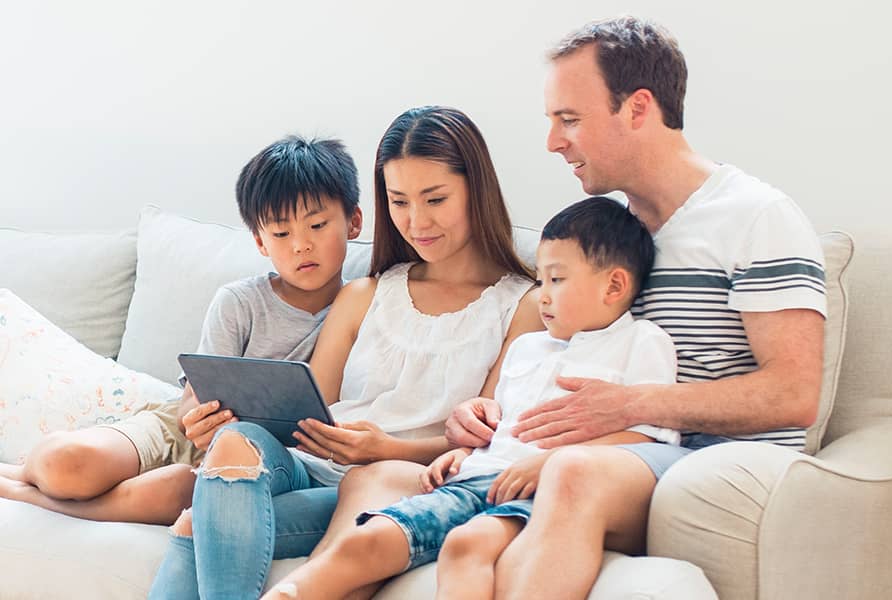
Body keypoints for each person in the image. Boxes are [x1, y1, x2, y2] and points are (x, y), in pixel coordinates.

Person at [444, 17, 828, 598]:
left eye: (569, 119)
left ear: (638, 108)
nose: (553, 142)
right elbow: (553, 357)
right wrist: (484, 417)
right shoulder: (604, 240)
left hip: (722, 459)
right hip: (621, 455)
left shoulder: (755, 216)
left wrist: (628, 406)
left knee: (569, 469)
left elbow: (794, 395)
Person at [148, 105, 542, 600]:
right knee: (235, 443)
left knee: (194, 522)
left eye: (435, 198)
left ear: (476, 190)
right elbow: (306, 413)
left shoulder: (522, 306)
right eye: (398, 201)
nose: (416, 221)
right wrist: (227, 415)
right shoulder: (365, 294)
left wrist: (386, 449)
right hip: (311, 467)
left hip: (397, 481)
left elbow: (484, 445)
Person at [260, 196, 680, 600]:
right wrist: (465, 454)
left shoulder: (641, 342)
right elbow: (505, 429)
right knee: (368, 539)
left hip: (535, 494)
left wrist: (545, 464)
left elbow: (644, 441)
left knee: (467, 545)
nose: (544, 294)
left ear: (614, 286)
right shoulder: (529, 348)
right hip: (478, 479)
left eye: (558, 279)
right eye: (542, 280)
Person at [0, 135, 362, 527]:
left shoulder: (366, 308)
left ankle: (22, 495)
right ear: (259, 242)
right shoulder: (240, 302)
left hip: (253, 460)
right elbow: (192, 399)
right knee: (64, 464)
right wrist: (197, 420)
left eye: (318, 225)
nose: (301, 246)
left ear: (353, 222)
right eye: (281, 234)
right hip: (180, 430)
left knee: (176, 494)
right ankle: (20, 475)